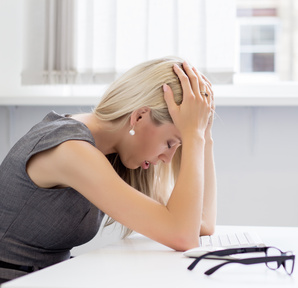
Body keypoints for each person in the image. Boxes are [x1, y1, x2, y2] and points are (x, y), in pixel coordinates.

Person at [0, 56, 217, 283]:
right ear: (140, 116)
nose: (167, 158)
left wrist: (205, 134)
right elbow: (183, 235)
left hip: (48, 278)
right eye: (170, 143)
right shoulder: (71, 149)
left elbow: (201, 224)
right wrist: (193, 135)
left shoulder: (113, 153)